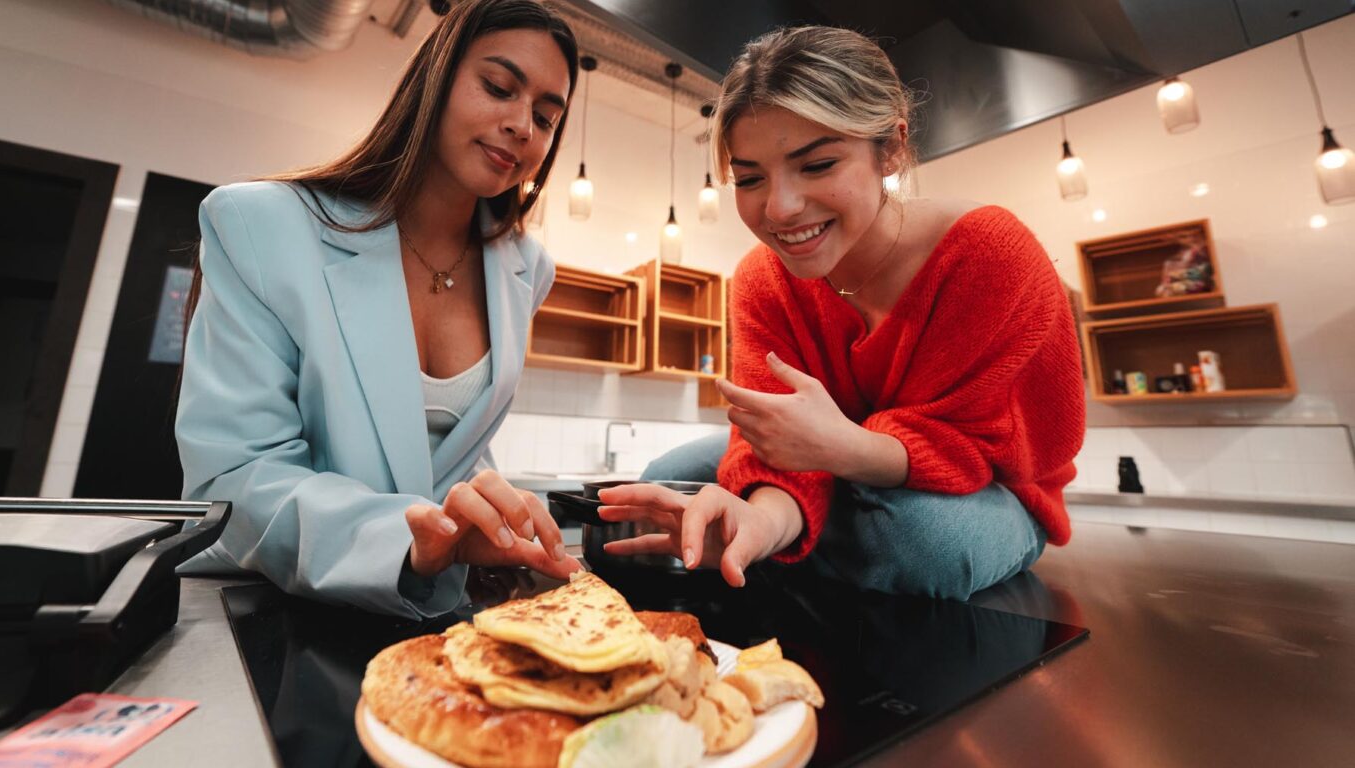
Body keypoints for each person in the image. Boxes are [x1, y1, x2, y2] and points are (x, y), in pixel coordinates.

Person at [598, 26, 1085, 601]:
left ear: (892, 149)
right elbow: (779, 444)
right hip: (836, 466)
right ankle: (767, 544)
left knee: (922, 542)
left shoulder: (988, 253)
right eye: (750, 178)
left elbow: (991, 448)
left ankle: (783, 550)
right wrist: (763, 521)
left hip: (987, 489)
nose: (779, 208)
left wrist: (841, 449)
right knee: (663, 479)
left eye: (819, 164)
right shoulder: (761, 279)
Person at [174, 0, 583, 619]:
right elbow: (234, 482)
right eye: (499, 87)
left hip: (438, 615)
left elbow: (451, 446)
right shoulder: (260, 226)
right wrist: (411, 539)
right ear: (435, 82)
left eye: (548, 118)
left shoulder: (526, 268)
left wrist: (494, 522)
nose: (523, 125)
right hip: (276, 609)